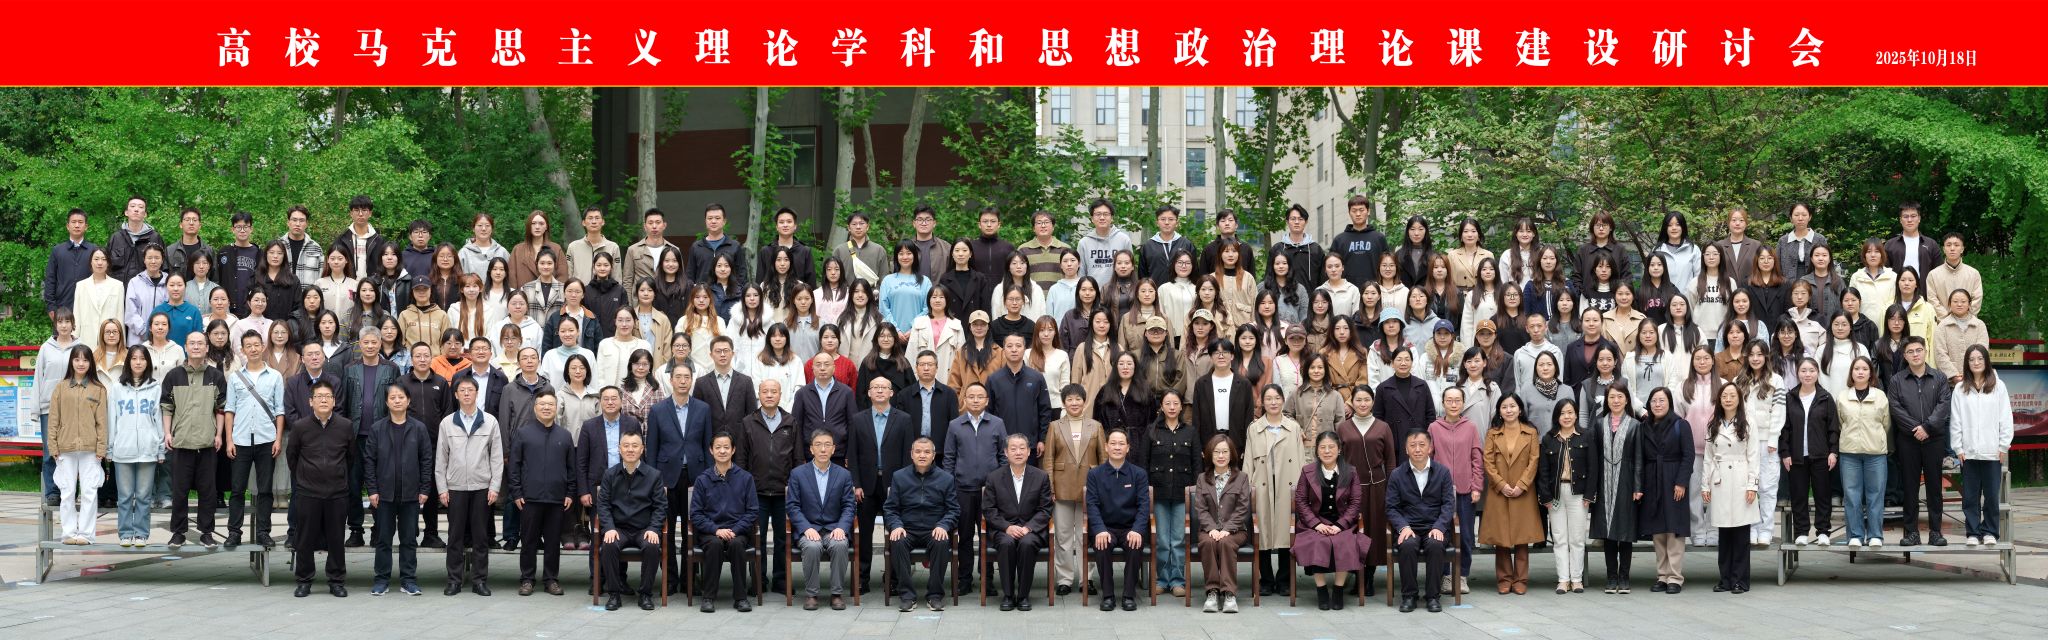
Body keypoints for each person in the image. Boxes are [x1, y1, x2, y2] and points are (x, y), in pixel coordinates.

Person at [436, 376, 503, 597]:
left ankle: (479, 580)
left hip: (481, 487)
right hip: (455, 487)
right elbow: (441, 459)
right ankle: (454, 580)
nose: (466, 394)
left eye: (470, 390)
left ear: (476, 393)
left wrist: (494, 486)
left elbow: (496, 457)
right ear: (456, 395)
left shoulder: (490, 422)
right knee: (454, 536)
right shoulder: (447, 423)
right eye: (462, 390)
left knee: (480, 537)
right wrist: (442, 488)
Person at [848, 376, 915, 594]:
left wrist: (902, 485)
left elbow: (907, 455)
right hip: (866, 486)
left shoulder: (903, 419)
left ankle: (894, 578)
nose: (879, 391)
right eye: (875, 387)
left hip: (894, 485)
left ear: (891, 393)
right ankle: (862, 577)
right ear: (868, 393)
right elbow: (852, 455)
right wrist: (856, 483)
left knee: (895, 531)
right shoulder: (858, 419)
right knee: (864, 533)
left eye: (884, 387)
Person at [364, 384, 433, 596]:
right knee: (383, 539)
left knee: (409, 539)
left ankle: (408, 580)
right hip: (384, 494)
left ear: (408, 400)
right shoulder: (377, 428)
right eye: (392, 397)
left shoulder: (419, 428)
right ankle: (381, 580)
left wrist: (424, 488)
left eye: (401, 397)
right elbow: (369, 461)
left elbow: (426, 460)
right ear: (386, 402)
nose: (397, 400)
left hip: (411, 493)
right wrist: (372, 490)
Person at [161, 331, 227, 550]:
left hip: (207, 442)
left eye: (200, 343)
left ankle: (206, 533)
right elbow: (167, 407)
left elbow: (221, 408)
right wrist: (167, 433)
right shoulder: (173, 376)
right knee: (179, 491)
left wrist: (218, 434)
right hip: (181, 442)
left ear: (207, 348)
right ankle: (178, 533)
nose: (196, 347)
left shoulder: (216, 376)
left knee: (208, 492)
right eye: (192, 343)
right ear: (186, 347)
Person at [509, 389, 578, 597]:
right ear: (535, 407)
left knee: (553, 542)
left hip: (557, 499)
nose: (546, 408)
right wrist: (517, 493)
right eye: (542, 404)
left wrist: (570, 493)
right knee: (528, 541)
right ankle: (527, 579)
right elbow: (514, 466)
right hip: (529, 498)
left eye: (550, 404)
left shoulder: (564, 436)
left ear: (556, 408)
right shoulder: (523, 433)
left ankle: (551, 579)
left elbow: (571, 468)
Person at [288, 379, 354, 597]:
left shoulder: (345, 426)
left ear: (334, 401)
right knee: (305, 538)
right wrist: (305, 477)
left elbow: (350, 458)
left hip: (337, 492)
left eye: (327, 397)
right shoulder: (300, 427)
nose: (323, 400)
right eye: (319, 397)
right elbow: (292, 457)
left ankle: (336, 581)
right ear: (311, 401)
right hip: (308, 492)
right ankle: (304, 580)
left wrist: (338, 475)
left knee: (336, 539)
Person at [1293, 431, 1372, 610]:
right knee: (1316, 542)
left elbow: (1355, 502)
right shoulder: (1307, 471)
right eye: (1322, 447)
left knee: (1344, 542)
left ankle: (1338, 589)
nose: (1327, 451)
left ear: (1339, 449)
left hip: (1342, 523)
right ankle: (1321, 589)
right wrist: (1316, 524)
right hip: (1315, 523)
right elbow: (1301, 501)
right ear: (1317, 450)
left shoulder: (1350, 472)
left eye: (1331, 447)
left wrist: (1340, 525)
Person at [736, 379, 802, 593]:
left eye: (774, 391)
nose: (770, 395)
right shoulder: (748, 422)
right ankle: (758, 580)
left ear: (780, 395)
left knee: (783, 538)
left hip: (784, 491)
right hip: (757, 491)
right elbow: (741, 459)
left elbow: (798, 459)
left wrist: (794, 486)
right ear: (759, 395)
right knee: (758, 537)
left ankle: (781, 580)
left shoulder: (790, 422)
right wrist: (744, 488)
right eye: (765, 391)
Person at [223, 329, 285, 549]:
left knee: (265, 490)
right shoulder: (235, 377)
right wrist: (229, 440)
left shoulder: (275, 376)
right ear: (243, 350)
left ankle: (263, 532)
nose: (253, 349)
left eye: (256, 345)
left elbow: (280, 410)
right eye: (248, 346)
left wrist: (278, 439)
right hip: (240, 439)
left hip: (266, 439)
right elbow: (229, 409)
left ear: (263, 346)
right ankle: (234, 532)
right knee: (237, 489)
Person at [942, 382, 1006, 595]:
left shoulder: (997, 423)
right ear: (964, 400)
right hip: (963, 488)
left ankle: (987, 579)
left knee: (988, 535)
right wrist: (950, 486)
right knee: (965, 535)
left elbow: (1003, 456)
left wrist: (999, 484)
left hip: (990, 491)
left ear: (987, 401)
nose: (976, 400)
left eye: (980, 397)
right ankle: (964, 579)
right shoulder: (955, 425)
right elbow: (949, 458)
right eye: (971, 396)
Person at [1041, 384, 1104, 595]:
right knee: (1063, 535)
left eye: (1078, 399)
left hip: (1090, 488)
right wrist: (1050, 488)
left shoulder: (1095, 426)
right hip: (1062, 487)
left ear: (1084, 402)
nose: (1074, 403)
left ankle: (1086, 578)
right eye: (1070, 399)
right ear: (1063, 403)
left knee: (1086, 535)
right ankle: (1065, 579)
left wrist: (1103, 489)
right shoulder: (1054, 426)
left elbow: (1103, 460)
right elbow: (1048, 460)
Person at [1888, 337, 1951, 546]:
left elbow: (1944, 405)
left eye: (1919, 350)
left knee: (1934, 487)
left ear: (1925, 351)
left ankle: (1935, 532)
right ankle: (1911, 533)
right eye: (1910, 351)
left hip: (1934, 439)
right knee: (1909, 487)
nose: (1915, 354)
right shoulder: (1897, 380)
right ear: (1904, 356)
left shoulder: (1939, 378)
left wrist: (1927, 427)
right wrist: (1916, 428)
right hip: (1908, 440)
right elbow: (1895, 408)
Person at [591, 428, 662, 612]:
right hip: (619, 528)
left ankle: (645, 594)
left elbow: (660, 507)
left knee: (652, 546)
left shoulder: (654, 475)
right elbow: (603, 505)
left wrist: (654, 528)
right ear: (619, 449)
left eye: (635, 446)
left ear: (642, 449)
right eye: (626, 446)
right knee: (609, 544)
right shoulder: (610, 474)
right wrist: (609, 527)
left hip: (644, 529)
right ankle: (614, 594)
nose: (630, 449)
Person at [886, 436, 959, 611]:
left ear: (933, 455)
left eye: (927, 452)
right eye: (918, 451)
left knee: (941, 541)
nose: (922, 455)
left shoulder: (946, 478)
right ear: (911, 454)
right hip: (907, 529)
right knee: (897, 541)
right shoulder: (899, 476)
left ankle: (935, 595)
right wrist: (896, 525)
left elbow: (954, 510)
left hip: (934, 529)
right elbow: (890, 508)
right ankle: (907, 596)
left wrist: (943, 525)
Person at [1479, 395, 1542, 595]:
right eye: (1504, 407)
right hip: (1499, 491)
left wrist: (1522, 485)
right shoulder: (1493, 433)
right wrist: (1501, 484)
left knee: (1522, 537)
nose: (1509, 410)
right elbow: (1487, 461)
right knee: (1501, 538)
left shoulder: (1530, 432)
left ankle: (1521, 579)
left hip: (1523, 491)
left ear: (1520, 409)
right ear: (1499, 411)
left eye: (1512, 406)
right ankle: (1504, 579)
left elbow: (1534, 460)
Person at [1245, 384, 1304, 596]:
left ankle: (1285, 579)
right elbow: (1248, 462)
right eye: (1268, 398)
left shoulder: (1293, 428)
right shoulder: (1254, 428)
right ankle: (1266, 579)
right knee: (1262, 532)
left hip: (1286, 485)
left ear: (1282, 400)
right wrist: (1248, 488)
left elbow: (1300, 461)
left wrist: (1300, 489)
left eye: (1277, 398)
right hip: (1262, 485)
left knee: (1286, 531)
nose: (1273, 402)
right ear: (1262, 402)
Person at [787, 430, 856, 610]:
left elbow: (849, 506)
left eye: (827, 445)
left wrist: (842, 527)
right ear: (811, 449)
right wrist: (806, 528)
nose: (823, 449)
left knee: (840, 544)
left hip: (834, 528)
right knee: (812, 546)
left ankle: (836, 594)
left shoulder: (844, 475)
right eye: (818, 445)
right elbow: (792, 506)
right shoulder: (798, 474)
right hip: (809, 528)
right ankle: (811, 594)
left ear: (833, 449)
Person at [983, 433, 1053, 610]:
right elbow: (989, 510)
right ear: (1006, 452)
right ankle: (1008, 595)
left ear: (1029, 452)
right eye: (1013, 449)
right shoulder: (994, 477)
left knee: (1027, 544)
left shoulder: (1041, 476)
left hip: (1031, 529)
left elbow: (1046, 509)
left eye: (1022, 448)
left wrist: (1029, 527)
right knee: (1006, 543)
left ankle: (1023, 596)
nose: (1018, 452)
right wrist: (1007, 527)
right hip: (1004, 529)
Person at [692, 432, 760, 612]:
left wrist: (735, 530)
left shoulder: (745, 478)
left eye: (726, 447)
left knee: (736, 545)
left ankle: (741, 598)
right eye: (718, 447)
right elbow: (696, 514)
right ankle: (708, 597)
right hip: (711, 532)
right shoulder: (702, 479)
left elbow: (752, 511)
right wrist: (716, 530)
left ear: (733, 450)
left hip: (737, 531)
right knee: (714, 545)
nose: (722, 451)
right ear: (711, 450)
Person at [1388, 430, 1455, 613]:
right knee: (1408, 545)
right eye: (1413, 445)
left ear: (1430, 448)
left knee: (1435, 544)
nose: (1417, 449)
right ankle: (1409, 596)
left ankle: (1433, 596)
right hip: (1409, 526)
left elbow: (1448, 504)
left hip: (1434, 526)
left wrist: (1440, 526)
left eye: (1422, 445)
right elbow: (1391, 507)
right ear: (1406, 449)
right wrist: (1403, 527)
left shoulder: (1442, 472)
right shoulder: (1397, 474)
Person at [1702, 382, 1759, 594]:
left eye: (1732, 395)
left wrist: (1752, 484)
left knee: (1741, 532)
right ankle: (1725, 579)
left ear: (1739, 399)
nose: (1728, 399)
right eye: (1724, 395)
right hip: (1720, 479)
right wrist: (1705, 485)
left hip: (1741, 477)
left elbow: (1754, 456)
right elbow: (1708, 457)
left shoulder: (1748, 422)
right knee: (1724, 532)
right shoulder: (1713, 424)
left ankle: (1740, 580)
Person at [1635, 387, 1693, 594]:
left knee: (1674, 529)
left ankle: (1675, 577)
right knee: (1658, 531)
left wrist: (1681, 482)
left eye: (1662, 400)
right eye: (1654, 401)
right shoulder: (1644, 426)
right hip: (1652, 480)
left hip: (1674, 480)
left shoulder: (1681, 425)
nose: (1657, 404)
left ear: (1669, 402)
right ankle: (1662, 575)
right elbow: (1640, 457)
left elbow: (1688, 456)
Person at [1086, 429, 1151, 611]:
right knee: (1102, 544)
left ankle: (1129, 595)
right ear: (1106, 447)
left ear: (1128, 448)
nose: (1117, 447)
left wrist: (1137, 529)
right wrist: (1099, 529)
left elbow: (1144, 505)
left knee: (1135, 544)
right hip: (1105, 527)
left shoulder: (1138, 474)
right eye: (1113, 443)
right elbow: (1092, 505)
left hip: (1130, 527)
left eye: (1121, 444)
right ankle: (1108, 595)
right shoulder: (1095, 474)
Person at [48, 345, 106, 545]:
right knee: (67, 492)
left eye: (85, 360)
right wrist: (53, 447)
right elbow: (53, 420)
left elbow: (102, 422)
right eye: (77, 359)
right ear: (71, 362)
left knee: (89, 492)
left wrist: (101, 448)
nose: (81, 363)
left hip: (91, 449)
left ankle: (86, 534)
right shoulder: (61, 388)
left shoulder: (98, 389)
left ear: (91, 363)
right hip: (65, 448)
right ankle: (69, 533)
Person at [579, 387, 646, 556]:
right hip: (598, 486)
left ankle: (619, 572)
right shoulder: (589, 426)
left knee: (620, 533)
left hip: (627, 485)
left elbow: (640, 455)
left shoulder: (631, 423)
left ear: (621, 401)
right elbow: (581, 462)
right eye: (606, 399)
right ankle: (596, 572)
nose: (610, 402)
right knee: (598, 535)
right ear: (600, 402)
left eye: (614, 398)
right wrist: (584, 491)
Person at [1779, 359, 1839, 546]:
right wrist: (1785, 452)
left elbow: (1833, 428)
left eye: (1811, 370)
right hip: (1796, 456)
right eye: (1803, 370)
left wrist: (1833, 451)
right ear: (1798, 373)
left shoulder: (1825, 397)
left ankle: (1823, 531)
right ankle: (1801, 532)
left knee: (1822, 494)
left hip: (1821, 455)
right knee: (1799, 496)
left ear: (1817, 373)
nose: (1807, 374)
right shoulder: (1790, 397)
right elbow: (1784, 428)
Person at [1535, 400, 1592, 593]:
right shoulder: (1549, 438)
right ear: (1557, 417)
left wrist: (1590, 494)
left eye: (1570, 412)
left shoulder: (1586, 436)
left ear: (1576, 415)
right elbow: (1543, 471)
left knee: (1577, 538)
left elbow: (1593, 468)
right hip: (1556, 493)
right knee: (1559, 538)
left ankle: (1576, 579)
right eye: (1562, 413)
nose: (1566, 417)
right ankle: (1563, 579)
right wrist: (1545, 497)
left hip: (1579, 493)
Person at [1590, 383, 1641, 593]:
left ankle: (1624, 577)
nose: (1616, 400)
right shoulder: (1598, 424)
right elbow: (1593, 457)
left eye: (1620, 396)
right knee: (1608, 532)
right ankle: (1611, 577)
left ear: (1627, 399)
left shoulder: (1635, 425)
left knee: (1624, 531)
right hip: (1604, 482)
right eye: (1612, 397)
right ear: (1607, 400)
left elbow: (1638, 458)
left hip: (1626, 481)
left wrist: (1638, 486)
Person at [1191, 434, 1251, 613]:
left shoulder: (1241, 477)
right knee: (1208, 542)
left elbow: (1242, 507)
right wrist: (1211, 528)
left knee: (1225, 543)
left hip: (1236, 530)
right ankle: (1212, 592)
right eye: (1217, 452)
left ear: (1231, 454)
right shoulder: (1202, 478)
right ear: (1210, 454)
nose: (1221, 456)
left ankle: (1229, 594)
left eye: (1225, 451)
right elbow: (1201, 508)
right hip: (1208, 530)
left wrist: (1227, 529)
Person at [1837, 357, 1890, 547]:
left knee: (1876, 495)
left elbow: (1886, 423)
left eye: (1865, 369)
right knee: (1851, 496)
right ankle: (1855, 535)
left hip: (1875, 453)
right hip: (1849, 453)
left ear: (1871, 373)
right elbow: (1840, 422)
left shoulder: (1880, 396)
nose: (1860, 372)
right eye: (1857, 368)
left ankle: (1875, 535)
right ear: (1851, 373)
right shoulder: (1843, 397)